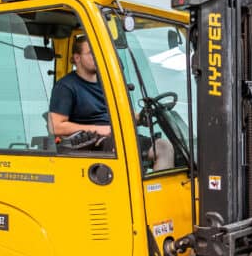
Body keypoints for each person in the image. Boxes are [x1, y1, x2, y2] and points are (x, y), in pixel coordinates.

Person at [49, 36, 173, 170]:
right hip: (91, 143)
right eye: (91, 53)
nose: (97, 57)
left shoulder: (107, 84)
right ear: (77, 58)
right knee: (127, 153)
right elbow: (55, 126)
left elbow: (115, 114)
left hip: (116, 136)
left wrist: (141, 117)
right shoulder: (66, 86)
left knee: (164, 147)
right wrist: (100, 129)